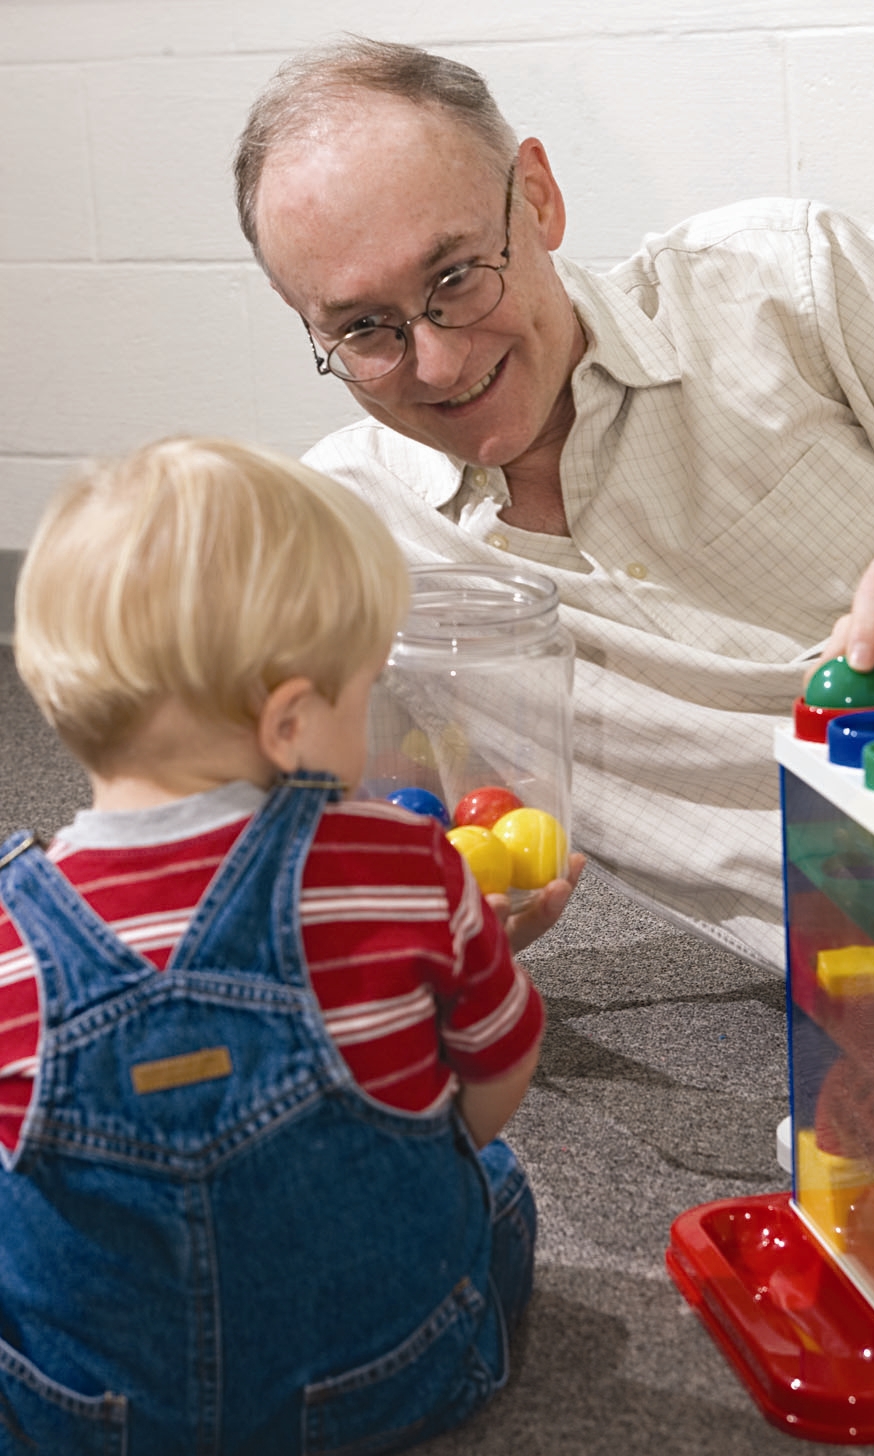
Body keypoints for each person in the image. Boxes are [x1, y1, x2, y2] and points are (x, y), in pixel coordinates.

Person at [234, 35, 874, 970]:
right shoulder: (342, 542)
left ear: (537, 197)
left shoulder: (784, 285)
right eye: (365, 328)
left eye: (454, 277)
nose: (438, 363)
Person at [0, 436, 546, 1455]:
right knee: (498, 1177)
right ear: (291, 723)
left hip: (87, 1417)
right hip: (385, 1374)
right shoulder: (407, 862)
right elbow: (499, 1066)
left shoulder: (9, 935)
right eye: (365, 688)